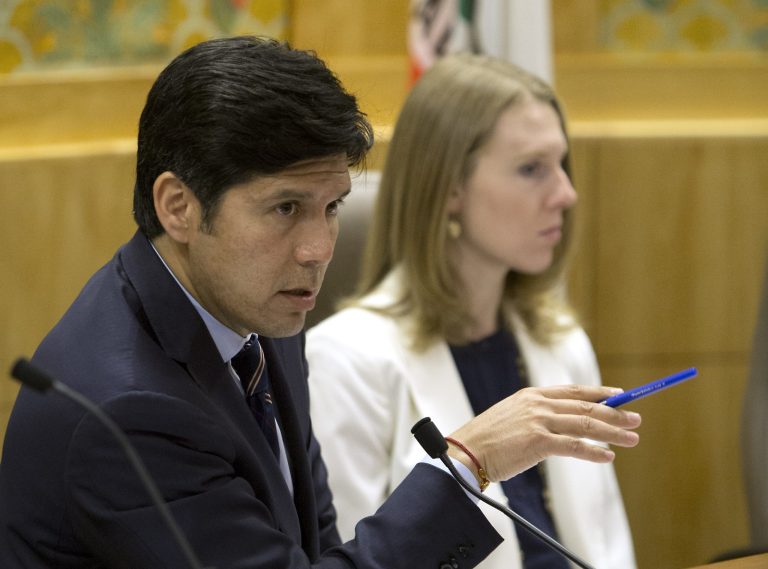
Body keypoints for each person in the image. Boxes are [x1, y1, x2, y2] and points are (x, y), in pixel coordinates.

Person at [0, 37, 641, 569]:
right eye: (285, 208)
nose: (316, 250)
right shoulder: (130, 411)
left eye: (331, 208)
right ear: (179, 207)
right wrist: (467, 464)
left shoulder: (258, 311)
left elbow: (319, 545)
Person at [306, 53, 638, 569]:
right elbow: (358, 560)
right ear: (450, 188)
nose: (566, 194)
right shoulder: (344, 361)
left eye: (562, 165)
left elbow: (607, 549)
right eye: (532, 169)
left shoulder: (560, 340)